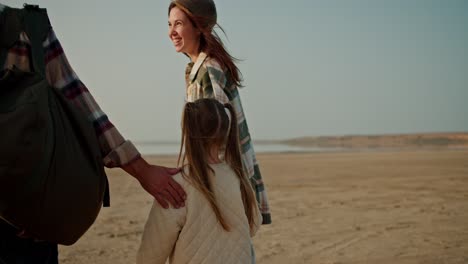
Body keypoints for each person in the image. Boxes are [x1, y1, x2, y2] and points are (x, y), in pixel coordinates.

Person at [0, 4, 185, 263]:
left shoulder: (28, 28)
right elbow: (80, 102)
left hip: (25, 213)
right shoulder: (27, 28)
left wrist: (143, 171)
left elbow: (79, 101)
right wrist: (141, 170)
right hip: (27, 213)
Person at [167, 0, 272, 225]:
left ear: (198, 26)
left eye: (178, 24)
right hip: (221, 181)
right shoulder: (198, 69)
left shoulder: (208, 70)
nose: (171, 32)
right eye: (169, 25)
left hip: (221, 184)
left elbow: (217, 140)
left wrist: (208, 186)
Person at [137, 98, 262, 264]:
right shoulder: (238, 176)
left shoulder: (177, 184)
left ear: (187, 132)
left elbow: (151, 254)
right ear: (225, 132)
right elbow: (253, 226)